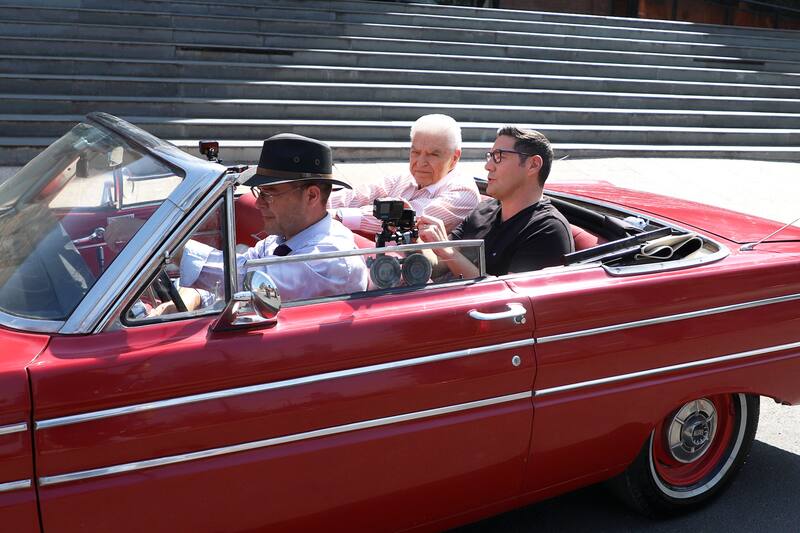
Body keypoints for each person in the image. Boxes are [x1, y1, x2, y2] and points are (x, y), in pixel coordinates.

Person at [171, 133, 369, 311]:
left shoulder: (330, 258)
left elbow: (247, 281)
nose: (258, 203)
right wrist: (196, 295)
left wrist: (171, 247)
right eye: (260, 193)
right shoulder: (281, 239)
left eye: (268, 194)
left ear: (311, 196)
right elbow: (239, 271)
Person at [418, 126, 574, 278]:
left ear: (533, 165)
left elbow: (509, 295)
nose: (488, 166)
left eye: (499, 156)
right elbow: (439, 265)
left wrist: (446, 250)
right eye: (490, 156)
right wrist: (412, 235)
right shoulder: (483, 211)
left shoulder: (548, 229)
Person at [328, 114, 480, 235]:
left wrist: (337, 216)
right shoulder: (403, 179)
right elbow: (360, 195)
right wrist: (314, 203)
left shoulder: (463, 192)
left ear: (454, 158)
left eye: (433, 154)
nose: (420, 162)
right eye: (415, 152)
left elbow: (409, 218)